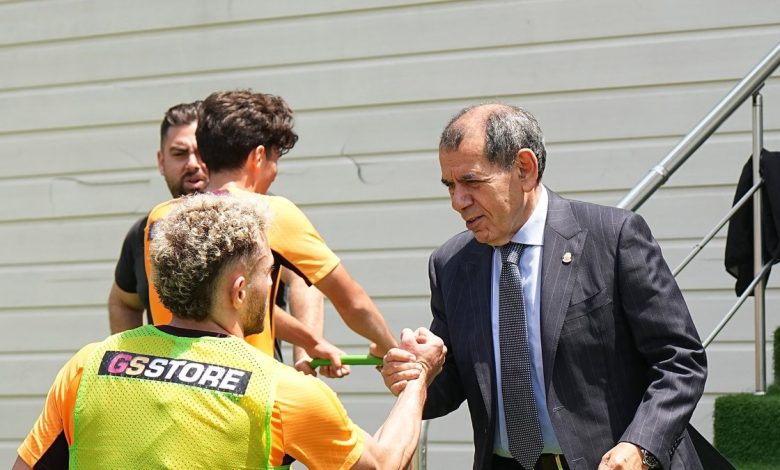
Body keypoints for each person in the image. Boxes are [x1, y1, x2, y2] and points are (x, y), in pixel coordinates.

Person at [381, 104, 708, 470]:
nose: (458, 202)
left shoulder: (612, 237)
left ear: (524, 169)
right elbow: (454, 384)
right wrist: (417, 378)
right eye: (450, 186)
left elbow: (680, 361)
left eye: (472, 182)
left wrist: (640, 446)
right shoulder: (452, 264)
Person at [13, 193, 446, 469]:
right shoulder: (280, 391)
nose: (270, 285)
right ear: (239, 291)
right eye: (268, 274)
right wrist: (418, 380)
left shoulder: (89, 365)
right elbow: (383, 463)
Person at [143, 90, 397, 363]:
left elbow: (224, 303)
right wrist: (391, 349)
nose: (274, 173)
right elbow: (352, 301)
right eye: (275, 161)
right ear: (259, 156)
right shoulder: (271, 212)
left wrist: (311, 342)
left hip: (169, 379)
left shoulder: (162, 217)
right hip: (244, 382)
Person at [107, 101, 340, 377]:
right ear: (161, 161)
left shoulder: (258, 214)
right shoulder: (148, 230)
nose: (192, 164)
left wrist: (305, 354)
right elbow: (123, 301)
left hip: (254, 385)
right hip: (172, 393)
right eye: (179, 153)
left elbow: (305, 281)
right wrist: (131, 368)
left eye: (199, 152)